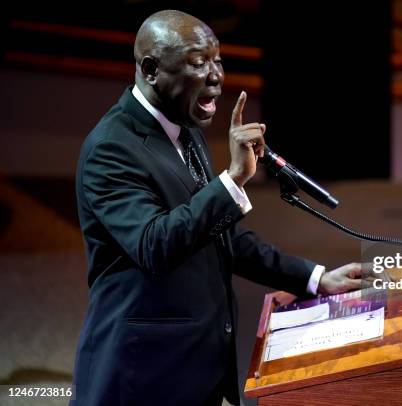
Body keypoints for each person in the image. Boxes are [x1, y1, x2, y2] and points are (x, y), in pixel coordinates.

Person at [71, 9, 368, 406]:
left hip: (195, 367)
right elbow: (154, 244)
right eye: (198, 63)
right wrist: (232, 180)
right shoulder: (110, 149)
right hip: (141, 376)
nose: (215, 75)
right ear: (152, 69)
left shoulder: (185, 130)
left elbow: (219, 238)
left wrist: (315, 279)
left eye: (218, 60)